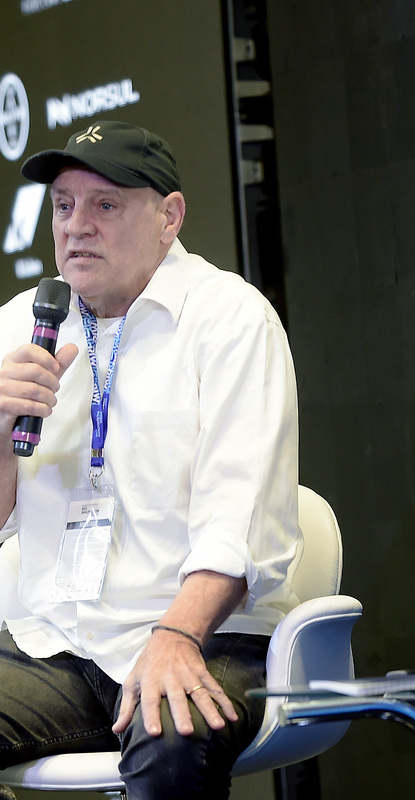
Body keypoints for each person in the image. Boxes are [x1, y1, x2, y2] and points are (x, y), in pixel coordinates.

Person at [0, 120, 300, 800]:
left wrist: (174, 635)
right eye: (63, 206)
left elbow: (238, 524)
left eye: (104, 205)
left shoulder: (228, 319)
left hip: (209, 633)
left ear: (169, 217)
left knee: (172, 737)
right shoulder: (23, 324)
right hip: (63, 643)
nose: (76, 226)